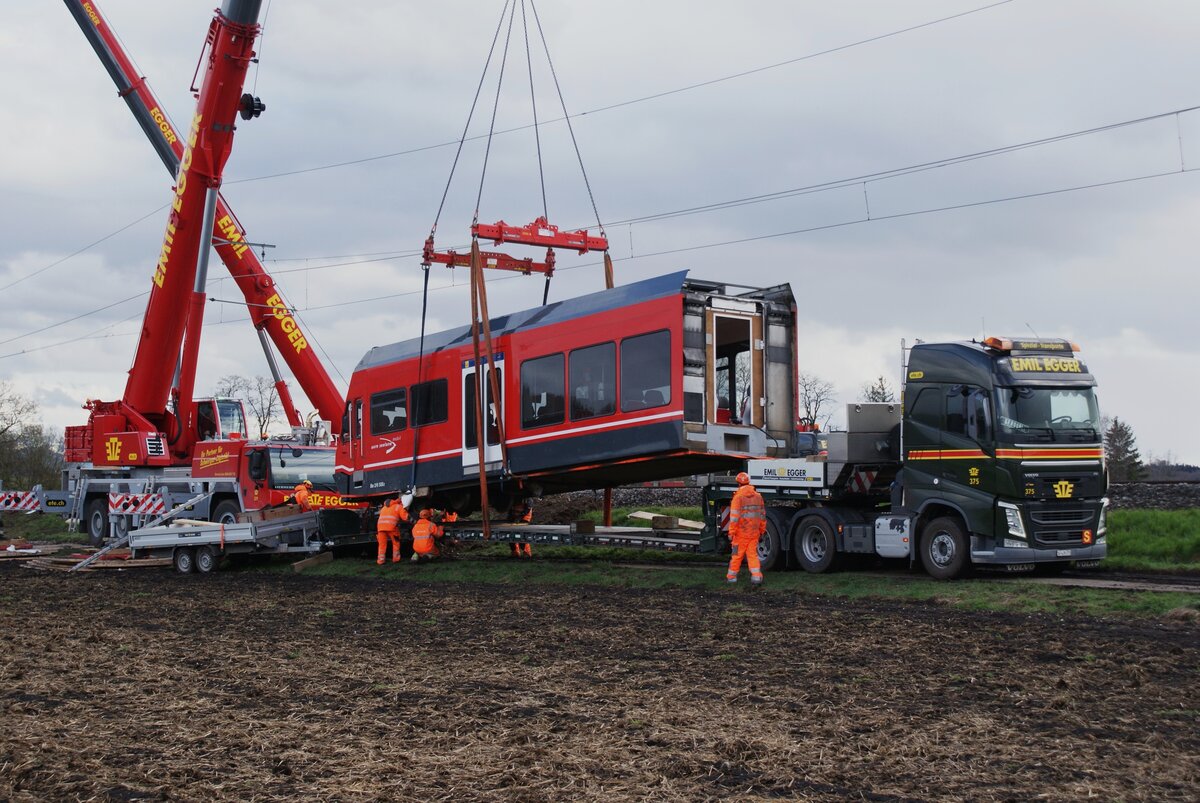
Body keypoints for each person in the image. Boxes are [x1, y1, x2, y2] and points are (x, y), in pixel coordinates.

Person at [726, 471, 766, 585]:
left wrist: (731, 532)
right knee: (752, 555)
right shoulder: (758, 496)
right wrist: (762, 530)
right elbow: (762, 515)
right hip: (754, 533)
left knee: (736, 556)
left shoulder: (738, 497)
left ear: (738, 484)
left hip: (740, 534)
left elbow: (734, 518)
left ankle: (732, 578)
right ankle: (756, 577)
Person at [376, 497, 408, 565]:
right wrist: (414, 521)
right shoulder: (399, 507)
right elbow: (405, 518)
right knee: (396, 543)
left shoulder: (384, 507)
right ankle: (396, 559)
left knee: (382, 545)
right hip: (392, 528)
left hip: (380, 528)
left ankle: (381, 561)